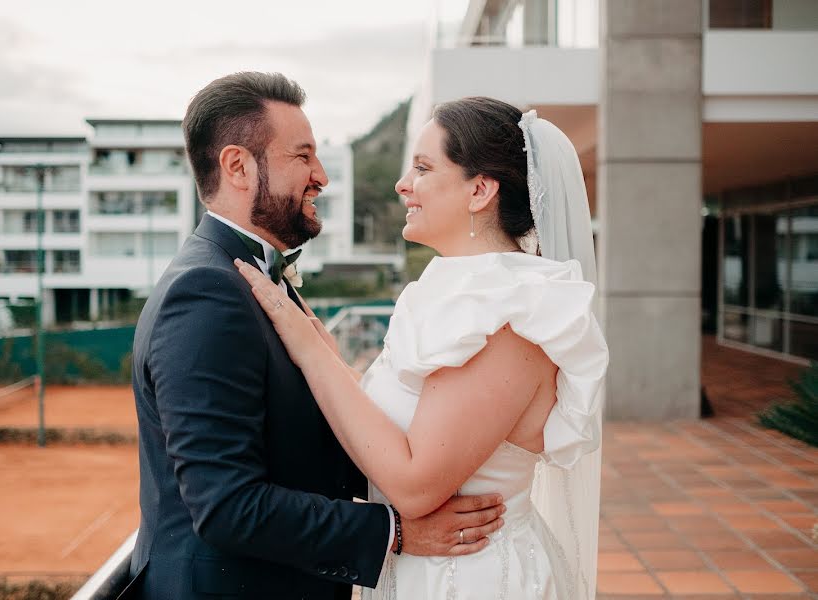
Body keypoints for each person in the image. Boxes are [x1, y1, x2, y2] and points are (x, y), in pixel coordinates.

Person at [123, 74, 507, 600]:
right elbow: (227, 506)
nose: (320, 176)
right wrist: (395, 532)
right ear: (238, 166)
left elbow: (302, 450)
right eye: (302, 157)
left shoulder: (255, 281)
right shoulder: (205, 293)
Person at [235, 96, 610, 599]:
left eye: (423, 168)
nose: (402, 184)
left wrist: (307, 350)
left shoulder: (512, 317)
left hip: (471, 577)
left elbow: (415, 485)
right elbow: (409, 418)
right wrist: (327, 354)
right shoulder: (462, 295)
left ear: (479, 190)